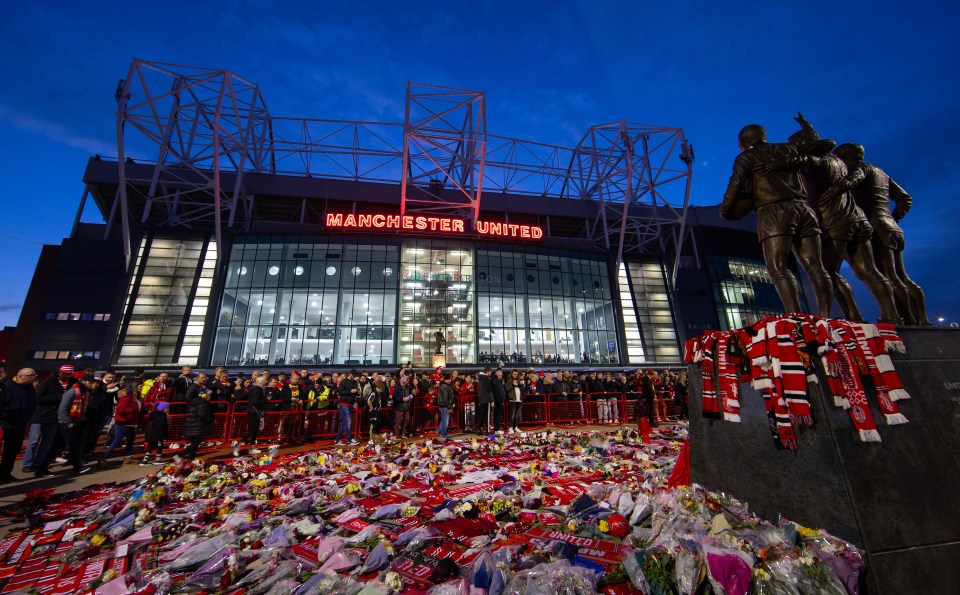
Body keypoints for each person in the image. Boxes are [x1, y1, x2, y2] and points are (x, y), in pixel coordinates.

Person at [720, 124, 834, 318]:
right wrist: (808, 129)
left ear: (743, 143)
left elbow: (736, 183)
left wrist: (725, 210)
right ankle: (825, 317)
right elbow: (823, 146)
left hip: (774, 211)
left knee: (778, 267)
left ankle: (795, 318)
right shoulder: (789, 148)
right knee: (816, 266)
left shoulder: (746, 157)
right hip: (803, 208)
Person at [835, 142, 931, 325]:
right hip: (891, 226)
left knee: (888, 276)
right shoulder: (881, 172)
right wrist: (894, 218)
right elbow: (905, 199)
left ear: (847, 156)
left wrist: (838, 187)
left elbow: (854, 179)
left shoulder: (858, 168)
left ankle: (898, 318)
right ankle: (922, 319)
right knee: (902, 277)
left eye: (839, 157)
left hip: (875, 226)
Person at [23, 364, 73, 476]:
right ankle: (27, 464)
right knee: (34, 441)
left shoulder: (70, 384)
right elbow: (38, 397)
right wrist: (59, 397)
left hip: (55, 417)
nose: (68, 377)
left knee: (47, 442)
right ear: (61, 373)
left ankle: (39, 463)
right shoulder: (47, 382)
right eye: (67, 375)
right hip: (41, 416)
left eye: (70, 375)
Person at [0, 368, 38, 483]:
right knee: (5, 451)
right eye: (32, 376)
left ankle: (6, 474)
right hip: (6, 424)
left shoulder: (29, 388)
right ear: (21, 376)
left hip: (20, 424)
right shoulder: (7, 386)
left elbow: (31, 404)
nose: (34, 378)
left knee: (13, 451)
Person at [57, 373, 98, 476]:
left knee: (73, 445)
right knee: (73, 446)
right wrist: (69, 423)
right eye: (90, 382)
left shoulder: (84, 393)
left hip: (76, 422)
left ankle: (75, 465)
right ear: (83, 381)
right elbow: (62, 409)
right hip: (67, 422)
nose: (91, 384)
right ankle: (77, 468)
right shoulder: (72, 392)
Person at [178, 374, 215, 462]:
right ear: (197, 378)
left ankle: (191, 458)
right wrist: (201, 400)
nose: (204, 379)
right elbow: (187, 398)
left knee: (196, 440)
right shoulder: (193, 387)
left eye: (205, 378)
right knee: (197, 440)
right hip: (195, 415)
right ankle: (181, 455)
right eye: (202, 378)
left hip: (197, 414)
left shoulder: (202, 387)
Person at [101, 383, 141, 464]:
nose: (141, 387)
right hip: (123, 423)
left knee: (130, 441)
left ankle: (128, 457)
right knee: (117, 441)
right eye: (140, 386)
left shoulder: (135, 397)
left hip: (131, 423)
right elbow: (120, 410)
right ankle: (103, 458)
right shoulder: (127, 397)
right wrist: (132, 410)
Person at [234, 375, 268, 456]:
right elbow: (255, 402)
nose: (265, 382)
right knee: (253, 430)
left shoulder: (255, 388)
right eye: (264, 381)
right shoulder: (258, 389)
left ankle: (252, 447)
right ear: (261, 382)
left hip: (254, 411)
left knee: (255, 430)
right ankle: (238, 444)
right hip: (254, 411)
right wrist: (266, 400)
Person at [336, 369, 360, 445]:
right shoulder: (344, 381)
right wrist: (350, 391)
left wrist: (357, 392)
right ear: (351, 374)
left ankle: (338, 439)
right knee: (347, 422)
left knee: (344, 422)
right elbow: (340, 392)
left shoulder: (355, 382)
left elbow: (355, 392)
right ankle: (350, 439)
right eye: (354, 375)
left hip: (350, 403)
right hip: (344, 404)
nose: (355, 377)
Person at [141, 401, 169, 465]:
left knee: (151, 447)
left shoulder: (153, 415)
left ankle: (144, 460)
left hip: (152, 433)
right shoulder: (162, 415)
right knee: (159, 446)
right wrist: (165, 433)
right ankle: (158, 459)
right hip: (158, 434)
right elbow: (162, 425)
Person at [436, 374, 456, 441]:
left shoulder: (447, 386)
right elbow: (445, 398)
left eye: (450, 379)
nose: (449, 380)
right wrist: (449, 407)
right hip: (444, 405)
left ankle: (439, 430)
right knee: (446, 420)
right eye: (448, 379)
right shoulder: (445, 387)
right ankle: (444, 434)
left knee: (444, 419)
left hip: (444, 405)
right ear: (445, 380)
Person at [476, 367, 493, 434]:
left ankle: (479, 428)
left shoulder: (480, 379)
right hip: (486, 399)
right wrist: (492, 400)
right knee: (487, 415)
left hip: (481, 399)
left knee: (482, 415)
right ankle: (488, 430)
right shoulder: (486, 379)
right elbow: (489, 390)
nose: (491, 373)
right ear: (488, 371)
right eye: (490, 371)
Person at [491, 368, 507, 433]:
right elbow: (496, 392)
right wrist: (498, 400)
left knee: (498, 415)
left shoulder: (499, 381)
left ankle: (497, 428)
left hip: (499, 400)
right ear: (496, 374)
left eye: (501, 374)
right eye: (499, 374)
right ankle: (496, 429)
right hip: (497, 400)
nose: (501, 375)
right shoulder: (495, 381)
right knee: (497, 415)